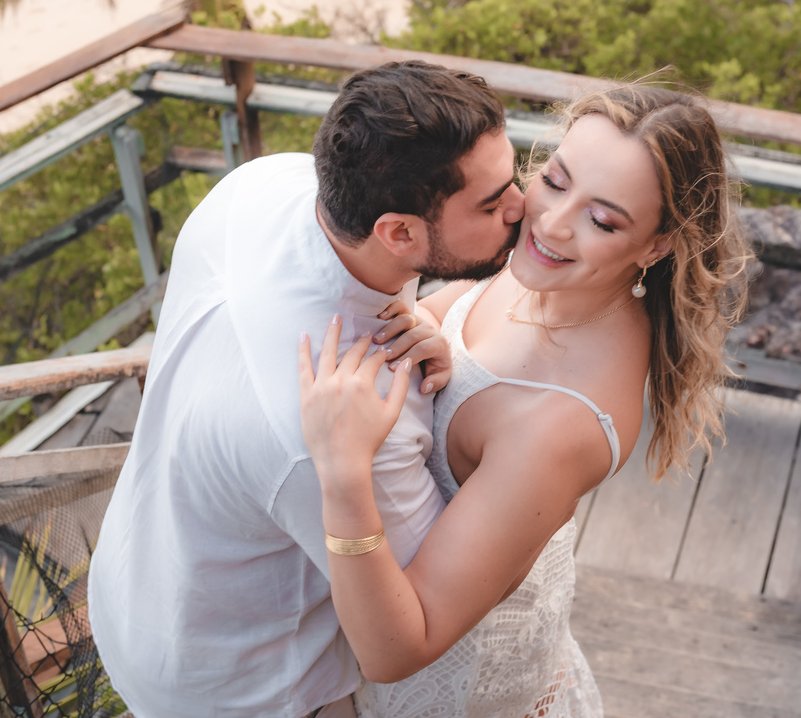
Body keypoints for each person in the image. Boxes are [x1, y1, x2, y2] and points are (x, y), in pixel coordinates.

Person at [87, 60, 525, 718]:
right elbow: (424, 605)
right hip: (244, 684)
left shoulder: (263, 186)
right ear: (398, 232)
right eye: (492, 203)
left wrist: (432, 320)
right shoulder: (348, 411)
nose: (525, 203)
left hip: (132, 580)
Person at [298, 84, 750, 717]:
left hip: (457, 679)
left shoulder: (559, 425)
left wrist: (343, 473)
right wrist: (427, 321)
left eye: (604, 219)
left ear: (655, 246)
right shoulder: (550, 267)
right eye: (557, 180)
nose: (552, 222)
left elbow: (399, 648)